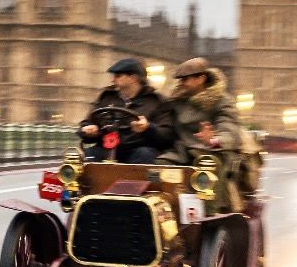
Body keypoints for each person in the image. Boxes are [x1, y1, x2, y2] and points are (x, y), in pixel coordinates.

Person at [161, 57, 248, 212]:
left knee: (206, 166)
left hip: (214, 153)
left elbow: (229, 129)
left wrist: (214, 140)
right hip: (182, 152)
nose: (181, 83)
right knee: (157, 167)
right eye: (180, 80)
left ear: (200, 79)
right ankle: (165, 211)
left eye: (185, 79)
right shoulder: (177, 102)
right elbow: (164, 124)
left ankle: (207, 217)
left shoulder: (222, 101)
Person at [77, 57, 175, 164]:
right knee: (88, 157)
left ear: (133, 78)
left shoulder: (157, 101)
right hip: (106, 149)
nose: (113, 80)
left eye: (118, 76)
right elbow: (88, 122)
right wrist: (89, 130)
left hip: (138, 150)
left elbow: (167, 136)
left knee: (145, 155)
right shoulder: (106, 98)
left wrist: (148, 128)